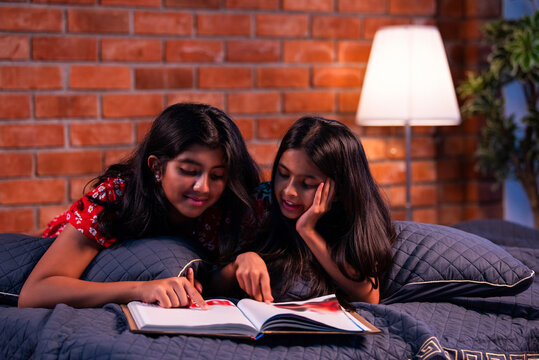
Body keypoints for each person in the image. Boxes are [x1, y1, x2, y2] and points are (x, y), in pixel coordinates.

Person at [18, 103, 260, 309]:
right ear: (156, 167)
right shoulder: (115, 197)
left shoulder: (223, 207)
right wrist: (141, 289)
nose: (203, 187)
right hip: (55, 245)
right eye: (189, 171)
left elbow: (207, 279)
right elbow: (34, 293)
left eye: (217, 176)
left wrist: (241, 262)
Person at [220, 116, 396, 304]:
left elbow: (369, 297)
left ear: (339, 190)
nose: (288, 191)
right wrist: (240, 261)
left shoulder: (355, 217)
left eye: (307, 183)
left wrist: (308, 231)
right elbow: (210, 280)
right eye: (283, 173)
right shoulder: (263, 202)